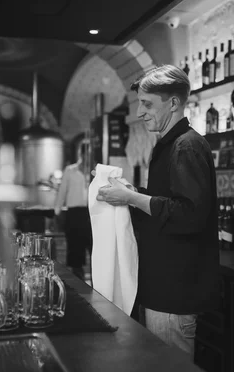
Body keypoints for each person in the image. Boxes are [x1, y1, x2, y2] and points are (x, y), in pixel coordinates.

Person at [95, 64, 220, 360]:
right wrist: (130, 193)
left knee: (169, 366)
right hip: (162, 285)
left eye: (147, 104)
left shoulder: (186, 146)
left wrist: (131, 197)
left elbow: (190, 214)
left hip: (174, 291)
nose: (139, 112)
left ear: (174, 103)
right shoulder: (168, 145)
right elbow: (166, 203)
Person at [54, 146, 92, 280]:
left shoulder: (94, 171)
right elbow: (62, 191)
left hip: (90, 213)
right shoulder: (70, 170)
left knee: (93, 246)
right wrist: (57, 211)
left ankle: (97, 283)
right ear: (81, 154)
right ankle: (78, 283)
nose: (89, 157)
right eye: (87, 154)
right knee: (75, 248)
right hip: (74, 214)